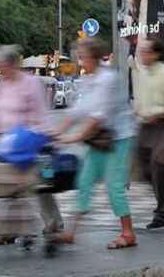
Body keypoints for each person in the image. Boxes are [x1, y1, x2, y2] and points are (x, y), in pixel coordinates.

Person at [53, 38, 138, 250]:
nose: (81, 62)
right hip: (99, 139)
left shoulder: (108, 79)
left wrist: (75, 137)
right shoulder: (89, 80)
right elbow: (77, 111)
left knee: (114, 185)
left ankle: (128, 233)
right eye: (79, 57)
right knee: (84, 180)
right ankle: (70, 232)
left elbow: (98, 116)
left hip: (118, 137)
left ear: (95, 57)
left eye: (83, 58)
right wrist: (56, 132)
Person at [0, 45, 62, 233]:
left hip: (32, 143)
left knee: (41, 186)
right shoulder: (3, 84)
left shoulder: (31, 82)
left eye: (2, 66)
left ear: (12, 64)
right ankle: (8, 232)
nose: (0, 70)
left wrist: (42, 137)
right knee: (8, 188)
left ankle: (53, 222)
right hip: (7, 145)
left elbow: (41, 113)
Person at [131, 38, 164, 229]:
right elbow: (138, 100)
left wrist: (161, 113)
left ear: (156, 54)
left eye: (146, 52)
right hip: (144, 124)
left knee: (158, 162)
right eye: (141, 52)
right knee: (143, 164)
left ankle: (162, 210)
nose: (143, 56)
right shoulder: (141, 74)